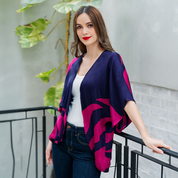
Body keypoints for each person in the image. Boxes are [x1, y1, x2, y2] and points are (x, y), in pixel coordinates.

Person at [46, 5, 171, 178]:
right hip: (62, 140)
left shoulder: (111, 60)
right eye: (79, 27)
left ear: (99, 26)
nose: (84, 31)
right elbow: (65, 107)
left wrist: (145, 135)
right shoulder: (75, 64)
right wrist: (53, 138)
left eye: (90, 25)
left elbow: (125, 98)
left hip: (87, 142)